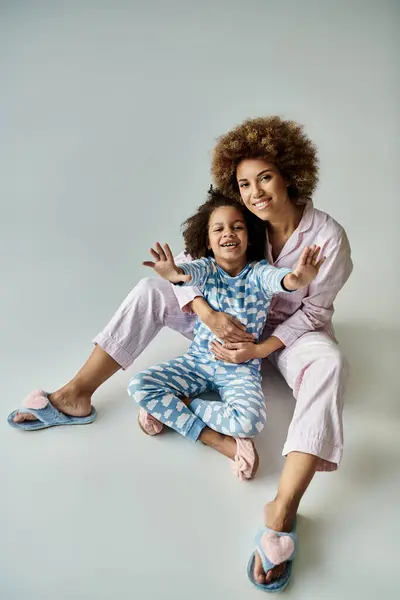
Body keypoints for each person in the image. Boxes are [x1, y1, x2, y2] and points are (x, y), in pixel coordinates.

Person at [9, 116, 352, 591]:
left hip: (285, 337)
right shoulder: (240, 216)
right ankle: (75, 396)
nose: (254, 193)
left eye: (265, 178)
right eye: (244, 183)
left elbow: (312, 313)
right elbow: (193, 268)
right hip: (224, 326)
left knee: (331, 362)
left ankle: (282, 509)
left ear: (290, 173)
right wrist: (208, 315)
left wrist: (258, 348)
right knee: (151, 289)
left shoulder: (327, 237)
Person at [129, 189, 324, 481]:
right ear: (208, 241)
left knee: (249, 423)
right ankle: (215, 439)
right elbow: (186, 274)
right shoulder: (207, 268)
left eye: (237, 227)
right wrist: (173, 273)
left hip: (240, 368)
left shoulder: (259, 272)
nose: (228, 233)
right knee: (139, 386)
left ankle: (180, 404)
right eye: (218, 229)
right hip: (197, 362)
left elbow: (282, 280)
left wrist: (298, 279)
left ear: (249, 235)